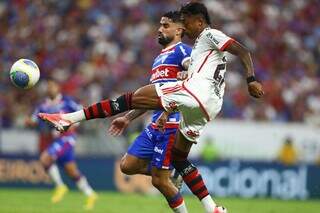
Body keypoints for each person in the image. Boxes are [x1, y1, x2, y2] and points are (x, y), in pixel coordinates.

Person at [38, 2, 264, 213]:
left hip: (192, 97)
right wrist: (129, 118)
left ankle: (69, 118)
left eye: (184, 22)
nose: (184, 26)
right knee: (176, 158)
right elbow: (188, 73)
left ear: (199, 21)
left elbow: (241, 50)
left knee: (128, 98)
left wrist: (251, 79)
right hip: (206, 108)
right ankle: (212, 208)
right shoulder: (180, 54)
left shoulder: (205, 37)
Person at [108, 11, 191, 212]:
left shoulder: (184, 51)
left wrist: (187, 73)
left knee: (159, 182)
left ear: (179, 30)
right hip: (155, 122)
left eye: (165, 25)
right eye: (160, 25)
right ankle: (171, 172)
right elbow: (152, 98)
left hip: (172, 122)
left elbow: (193, 76)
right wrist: (127, 118)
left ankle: (167, 176)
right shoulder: (158, 59)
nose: (160, 29)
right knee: (127, 166)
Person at [27, 78, 98, 210]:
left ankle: (60, 186)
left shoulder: (67, 101)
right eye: (48, 86)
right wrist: (30, 122)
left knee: (45, 158)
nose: (50, 88)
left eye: (52, 86)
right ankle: (91, 194)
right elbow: (33, 120)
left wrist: (73, 125)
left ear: (58, 87)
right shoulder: (43, 105)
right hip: (53, 140)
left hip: (67, 138)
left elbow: (82, 114)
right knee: (72, 171)